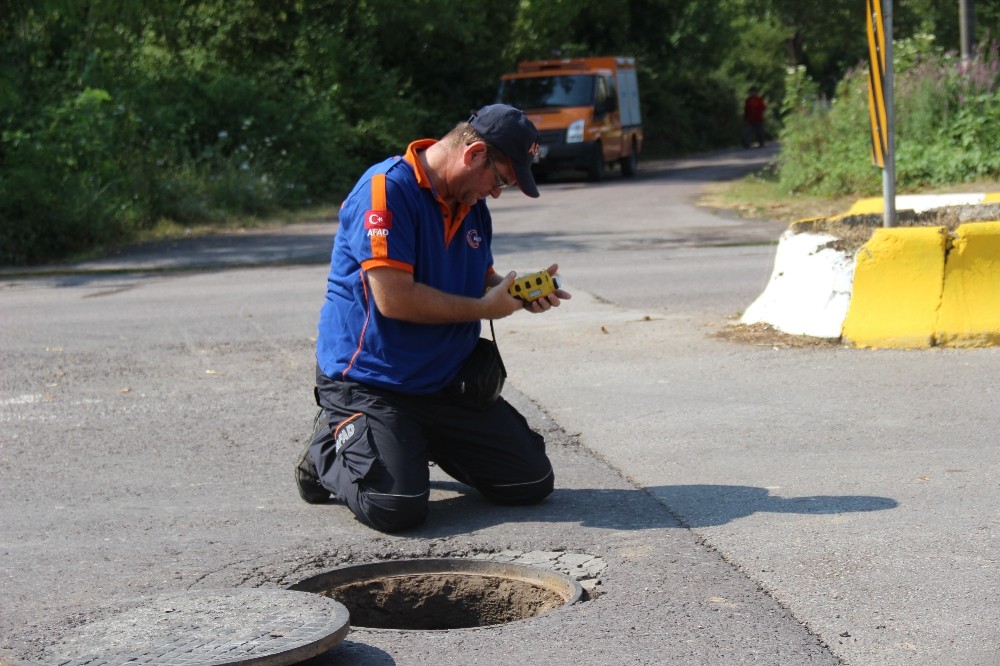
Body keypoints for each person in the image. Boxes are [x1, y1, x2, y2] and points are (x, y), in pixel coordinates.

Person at [294, 104, 572, 533]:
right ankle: (327, 447)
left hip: (443, 380)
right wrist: (485, 309)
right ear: (474, 152)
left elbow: (479, 279)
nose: (497, 193)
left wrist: (514, 292)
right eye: (501, 179)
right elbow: (395, 301)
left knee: (530, 481)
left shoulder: (470, 201)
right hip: (372, 381)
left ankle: (409, 440)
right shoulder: (385, 191)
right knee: (396, 506)